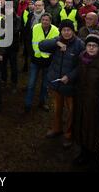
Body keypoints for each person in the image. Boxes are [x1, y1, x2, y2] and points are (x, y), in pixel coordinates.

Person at [39, 19, 85, 148]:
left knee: (71, 112)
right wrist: (56, 42)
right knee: (57, 109)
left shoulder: (79, 44)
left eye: (69, 30)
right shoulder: (57, 41)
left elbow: (82, 65)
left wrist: (70, 76)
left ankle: (69, 135)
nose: (66, 33)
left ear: (73, 31)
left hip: (70, 85)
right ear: (61, 31)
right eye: (64, 30)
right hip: (56, 83)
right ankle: (56, 128)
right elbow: (41, 45)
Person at [73, 34, 99, 169]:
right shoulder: (81, 59)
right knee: (81, 126)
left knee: (94, 131)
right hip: (81, 100)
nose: (91, 48)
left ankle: (95, 157)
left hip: (95, 104)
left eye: (94, 46)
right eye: (89, 45)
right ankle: (83, 153)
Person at [24, 13, 59, 113]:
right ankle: (28, 104)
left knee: (45, 84)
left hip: (48, 62)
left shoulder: (55, 30)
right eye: (43, 19)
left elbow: (56, 47)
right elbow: (29, 42)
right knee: (31, 84)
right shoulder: (35, 28)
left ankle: (42, 102)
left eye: (47, 20)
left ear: (50, 21)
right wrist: (32, 55)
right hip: (36, 60)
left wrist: (51, 58)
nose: (44, 22)